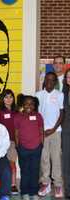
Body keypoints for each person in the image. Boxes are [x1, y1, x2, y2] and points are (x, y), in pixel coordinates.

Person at [36, 72, 64, 198]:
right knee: (44, 158)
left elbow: (62, 114)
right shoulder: (38, 95)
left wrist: (53, 129)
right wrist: (41, 130)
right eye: (48, 80)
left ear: (55, 82)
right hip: (42, 132)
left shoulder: (60, 95)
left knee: (56, 158)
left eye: (52, 80)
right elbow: (36, 115)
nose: (50, 82)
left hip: (55, 132)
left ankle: (58, 185)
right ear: (44, 81)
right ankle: (45, 183)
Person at [14, 95, 44, 200]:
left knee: (35, 171)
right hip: (23, 148)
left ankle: (33, 192)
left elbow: (41, 130)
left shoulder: (38, 116)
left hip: (36, 148)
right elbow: (16, 133)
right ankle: (24, 192)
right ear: (23, 104)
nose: (29, 106)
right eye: (26, 103)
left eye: (31, 104)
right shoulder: (18, 116)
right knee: (25, 171)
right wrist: (18, 146)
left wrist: (41, 144)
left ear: (34, 105)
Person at [0, 89, 18, 195]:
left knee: (12, 164)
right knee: (2, 164)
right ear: (2, 99)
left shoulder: (17, 111)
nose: (9, 99)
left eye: (10, 97)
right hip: (1, 142)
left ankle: (13, 185)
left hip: (13, 142)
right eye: (6, 97)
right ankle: (2, 184)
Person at [61, 68, 70, 199]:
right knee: (66, 161)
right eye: (68, 77)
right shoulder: (63, 93)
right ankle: (68, 190)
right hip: (67, 130)